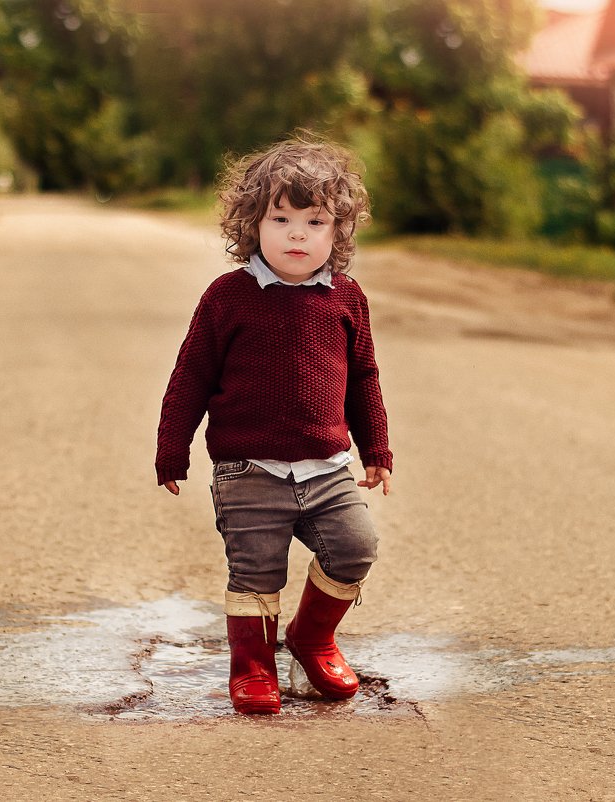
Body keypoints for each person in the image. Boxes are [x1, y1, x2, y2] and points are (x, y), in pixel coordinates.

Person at [155, 136, 392, 714]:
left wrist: (377, 447)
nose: (296, 234)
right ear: (251, 226)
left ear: (338, 232)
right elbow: (189, 377)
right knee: (256, 570)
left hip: (327, 467)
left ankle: (312, 638)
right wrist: (172, 450)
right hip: (248, 469)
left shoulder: (346, 298)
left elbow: (363, 377)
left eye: (315, 221)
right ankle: (253, 665)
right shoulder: (228, 298)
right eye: (280, 218)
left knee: (356, 547)